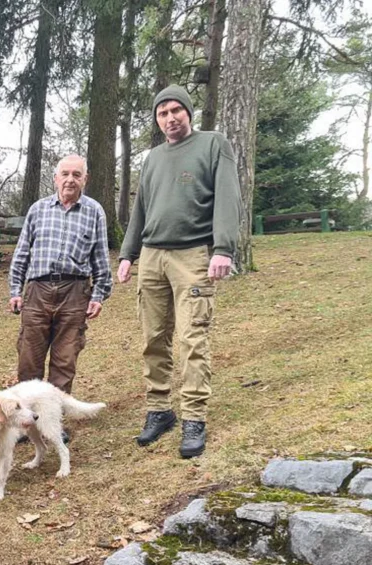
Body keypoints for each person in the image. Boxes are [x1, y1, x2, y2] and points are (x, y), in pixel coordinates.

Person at [117, 84, 243, 458]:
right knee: (153, 339)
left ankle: (193, 417)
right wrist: (127, 254)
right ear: (157, 119)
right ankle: (159, 411)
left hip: (193, 256)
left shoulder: (213, 144)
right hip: (152, 256)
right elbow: (141, 208)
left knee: (192, 339)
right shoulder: (153, 158)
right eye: (163, 113)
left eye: (176, 110)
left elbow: (228, 198)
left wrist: (223, 248)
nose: (170, 118)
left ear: (188, 112)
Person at [9, 154, 112, 441]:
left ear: (85, 179)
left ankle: (53, 422)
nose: (70, 180)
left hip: (75, 292)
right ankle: (25, 422)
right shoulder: (38, 209)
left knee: (65, 361)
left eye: (76, 175)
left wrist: (99, 293)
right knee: (29, 359)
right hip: (37, 291)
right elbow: (21, 253)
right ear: (55, 178)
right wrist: (15, 290)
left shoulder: (94, 211)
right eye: (65, 174)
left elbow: (101, 257)